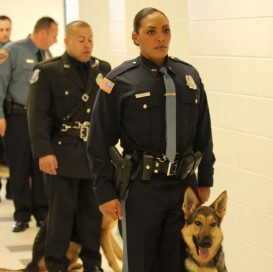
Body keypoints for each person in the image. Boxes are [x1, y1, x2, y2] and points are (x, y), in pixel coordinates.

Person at [87, 7, 215, 272]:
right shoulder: (118, 81)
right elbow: (99, 141)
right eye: (151, 32)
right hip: (141, 189)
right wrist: (105, 192)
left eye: (166, 30)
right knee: (141, 264)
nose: (161, 37)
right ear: (136, 37)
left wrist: (205, 179)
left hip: (184, 189)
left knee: (179, 264)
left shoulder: (188, 76)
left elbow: (204, 134)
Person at [27, 20, 111, 272]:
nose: (87, 44)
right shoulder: (48, 71)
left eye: (90, 39)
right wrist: (44, 152)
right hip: (60, 155)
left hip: (92, 156)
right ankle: (55, 264)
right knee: (60, 217)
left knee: (91, 216)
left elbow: (109, 108)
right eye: (81, 39)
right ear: (66, 41)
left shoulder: (102, 70)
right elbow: (37, 115)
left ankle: (92, 264)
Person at [0, 16, 58, 232]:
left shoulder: (47, 55)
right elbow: (0, 84)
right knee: (19, 167)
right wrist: (0, 116)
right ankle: (22, 214)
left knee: (40, 165)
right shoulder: (11, 51)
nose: (55, 40)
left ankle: (42, 213)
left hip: (41, 120)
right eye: (53, 35)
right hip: (17, 118)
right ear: (42, 33)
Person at [0, 15, 12, 200]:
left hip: (9, 111)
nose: (4, 33)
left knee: (10, 153)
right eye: (1, 29)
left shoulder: (12, 52)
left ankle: (11, 190)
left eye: (7, 29)